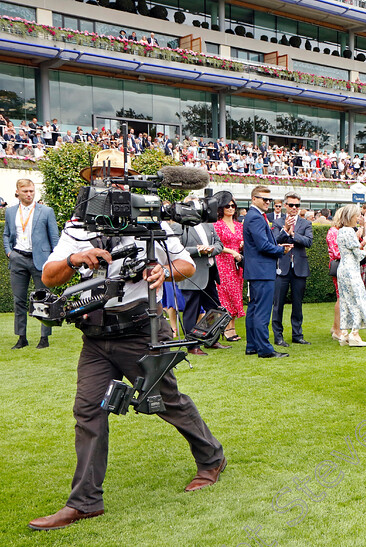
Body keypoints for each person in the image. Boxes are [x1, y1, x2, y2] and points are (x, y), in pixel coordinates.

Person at [28, 168, 225, 531]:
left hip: (141, 330)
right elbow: (48, 276)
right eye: (103, 177)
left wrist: (162, 271)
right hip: (95, 336)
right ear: (92, 182)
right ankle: (85, 502)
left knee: (167, 402)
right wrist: (75, 260)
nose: (111, 183)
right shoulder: (78, 227)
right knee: (88, 411)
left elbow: (183, 263)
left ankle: (212, 459)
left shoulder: (151, 219)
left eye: (117, 177)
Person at [3, 178, 60, 349]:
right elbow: (6, 234)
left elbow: (54, 238)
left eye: (32, 191)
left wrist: (54, 259)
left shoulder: (46, 211)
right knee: (19, 300)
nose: (29, 194)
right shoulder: (10, 212)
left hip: (41, 261)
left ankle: (44, 338)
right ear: (18, 192)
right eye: (26, 191)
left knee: (44, 299)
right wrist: (9, 252)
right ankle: (21, 338)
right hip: (18, 258)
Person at [243, 186, 289, 359]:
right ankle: (265, 349)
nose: (268, 202)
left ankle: (252, 345)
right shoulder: (255, 217)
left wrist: (279, 244)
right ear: (254, 199)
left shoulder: (254, 216)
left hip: (258, 270)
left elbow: (263, 242)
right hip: (262, 271)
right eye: (264, 199)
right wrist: (280, 251)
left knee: (254, 309)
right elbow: (263, 246)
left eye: (269, 200)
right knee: (261, 311)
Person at [174, 218, 231, 356]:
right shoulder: (179, 226)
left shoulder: (208, 224)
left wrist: (211, 250)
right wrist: (198, 250)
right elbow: (176, 249)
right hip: (192, 275)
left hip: (209, 274)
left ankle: (211, 340)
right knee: (191, 311)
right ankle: (192, 345)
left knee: (214, 309)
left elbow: (219, 244)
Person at [334, 205, 366, 346]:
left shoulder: (341, 231)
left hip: (343, 269)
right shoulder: (349, 231)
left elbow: (352, 252)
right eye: (357, 216)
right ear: (350, 216)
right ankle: (354, 334)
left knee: (346, 301)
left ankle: (344, 333)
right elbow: (357, 254)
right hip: (350, 270)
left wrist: (364, 247)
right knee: (359, 300)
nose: (359, 218)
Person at [271, 192, 313, 346]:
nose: (294, 208)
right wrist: (285, 230)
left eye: (297, 205)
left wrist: (293, 234)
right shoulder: (277, 222)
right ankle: (278, 336)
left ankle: (297, 335)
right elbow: (274, 240)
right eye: (291, 205)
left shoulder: (306, 223)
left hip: (299, 268)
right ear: (285, 205)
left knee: (298, 304)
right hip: (282, 267)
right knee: (278, 305)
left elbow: (308, 242)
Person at [214, 198, 245, 340]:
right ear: (222, 208)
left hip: (237, 264)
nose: (231, 208)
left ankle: (232, 327)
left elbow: (242, 241)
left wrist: (242, 246)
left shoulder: (239, 226)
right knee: (225, 294)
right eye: (228, 206)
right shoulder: (217, 225)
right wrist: (232, 252)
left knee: (236, 294)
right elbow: (217, 245)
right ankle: (226, 329)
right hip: (223, 262)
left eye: (233, 206)